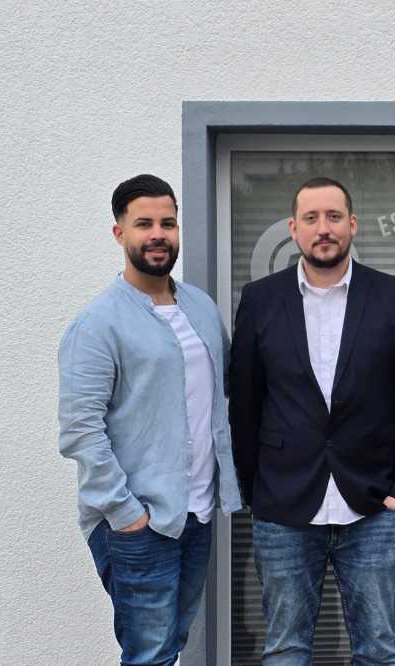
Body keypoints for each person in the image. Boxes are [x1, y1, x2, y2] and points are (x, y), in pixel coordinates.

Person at [229, 176, 395, 665]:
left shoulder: (393, 296)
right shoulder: (260, 299)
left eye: (334, 217)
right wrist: (257, 492)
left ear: (353, 225)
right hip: (283, 509)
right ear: (293, 229)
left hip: (374, 507)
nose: (324, 228)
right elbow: (245, 405)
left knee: (379, 650)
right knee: (285, 649)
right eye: (311, 218)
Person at [58, 174, 243, 666]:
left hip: (197, 514)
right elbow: (80, 431)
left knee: (169, 646)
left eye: (167, 223)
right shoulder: (98, 323)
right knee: (149, 655)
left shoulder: (200, 308)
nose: (158, 234)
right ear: (119, 233)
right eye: (144, 224)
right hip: (140, 523)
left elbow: (225, 391)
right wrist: (127, 515)